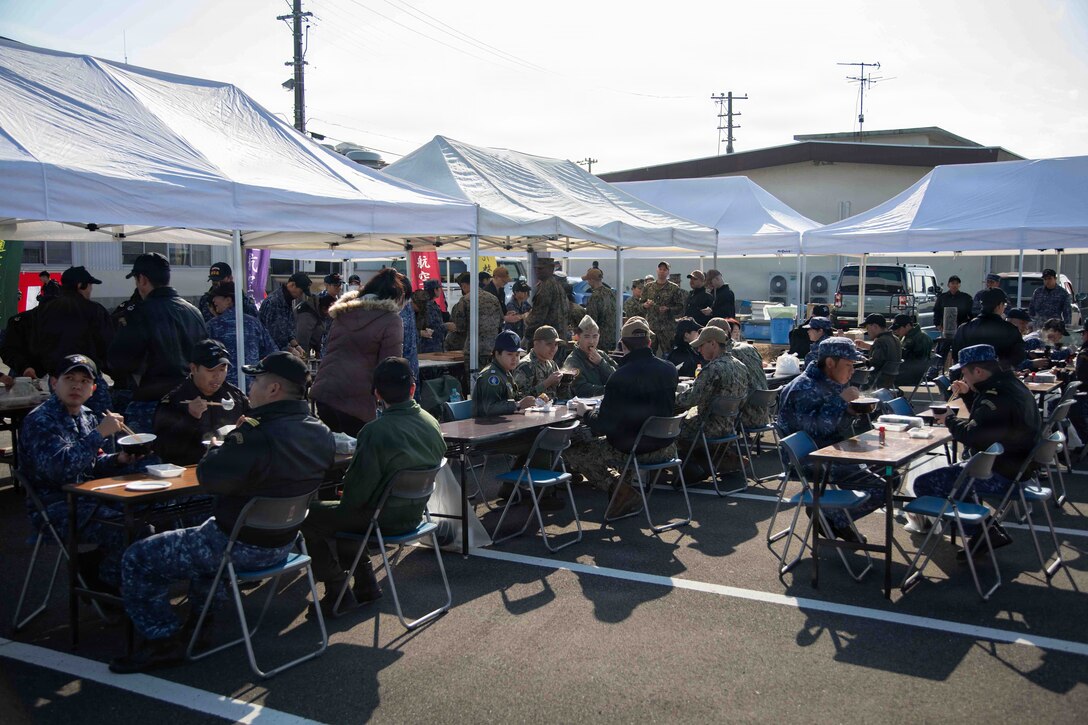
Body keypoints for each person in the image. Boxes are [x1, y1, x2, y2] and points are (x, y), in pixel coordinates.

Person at [111, 351, 334, 674]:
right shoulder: (320, 432)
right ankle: (201, 624)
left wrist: (225, 445)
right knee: (207, 538)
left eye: (257, 380)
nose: (251, 386)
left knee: (138, 556)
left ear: (273, 389)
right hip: (285, 542)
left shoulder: (256, 434)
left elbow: (209, 477)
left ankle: (162, 640)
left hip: (239, 545)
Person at [300, 357, 446, 611]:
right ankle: (365, 581)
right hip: (416, 514)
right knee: (350, 512)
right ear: (412, 388)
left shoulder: (375, 431)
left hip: (382, 518)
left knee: (310, 515)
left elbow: (355, 498)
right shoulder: (431, 423)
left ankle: (337, 587)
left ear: (377, 394)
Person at [19, 355, 148, 591]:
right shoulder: (40, 420)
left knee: (148, 516)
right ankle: (105, 585)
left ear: (93, 389)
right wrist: (99, 434)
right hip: (57, 506)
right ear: (54, 383)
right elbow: (60, 470)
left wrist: (118, 460)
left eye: (84, 381)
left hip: (90, 498)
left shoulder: (87, 416)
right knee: (129, 529)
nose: (77, 386)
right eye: (69, 379)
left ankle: (97, 569)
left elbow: (93, 463)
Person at [910, 344, 1040, 553]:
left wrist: (949, 420)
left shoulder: (995, 395)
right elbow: (987, 422)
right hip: (1019, 466)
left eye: (965, 373)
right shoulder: (1011, 384)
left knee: (925, 484)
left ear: (978, 371)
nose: (964, 378)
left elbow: (974, 436)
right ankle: (986, 530)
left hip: (1002, 473)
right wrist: (969, 395)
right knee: (955, 478)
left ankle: (983, 532)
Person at [563, 317, 679, 517]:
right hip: (666, 446)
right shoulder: (669, 369)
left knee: (574, 450)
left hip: (635, 448)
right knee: (627, 434)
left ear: (623, 346)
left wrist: (586, 412)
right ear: (649, 342)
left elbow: (604, 424)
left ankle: (619, 490)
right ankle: (624, 492)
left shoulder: (621, 377)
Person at [776, 337, 884, 539]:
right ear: (830, 363)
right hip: (811, 461)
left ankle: (835, 520)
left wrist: (851, 412)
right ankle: (829, 517)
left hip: (831, 453)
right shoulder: (804, 388)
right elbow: (813, 432)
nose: (852, 371)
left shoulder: (828, 382)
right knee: (881, 486)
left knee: (888, 472)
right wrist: (840, 402)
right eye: (848, 365)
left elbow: (833, 427)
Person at [108, 253, 208, 433]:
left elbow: (119, 361)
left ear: (142, 280)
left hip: (151, 404)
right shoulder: (193, 312)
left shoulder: (139, 313)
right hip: (190, 402)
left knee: (145, 450)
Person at [312, 268, 409, 434]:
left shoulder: (344, 312)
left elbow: (330, 347)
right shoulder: (390, 320)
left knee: (334, 447)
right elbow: (389, 366)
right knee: (359, 447)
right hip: (357, 400)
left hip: (325, 393)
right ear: (397, 298)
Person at [30, 265, 115, 414]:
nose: (90, 290)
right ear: (80, 285)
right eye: (90, 286)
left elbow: (36, 344)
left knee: (62, 422)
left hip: (58, 380)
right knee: (100, 422)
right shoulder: (94, 310)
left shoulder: (44, 310)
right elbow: (107, 345)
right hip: (87, 378)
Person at [153, 340, 250, 466]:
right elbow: (163, 449)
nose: (217, 376)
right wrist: (190, 419)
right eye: (210, 370)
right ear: (194, 368)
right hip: (190, 469)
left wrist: (244, 430)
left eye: (222, 369)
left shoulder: (236, 397)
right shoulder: (175, 400)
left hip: (229, 467)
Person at [676, 326, 750, 480]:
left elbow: (690, 400)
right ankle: (718, 459)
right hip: (729, 427)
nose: (699, 350)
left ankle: (690, 467)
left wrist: (672, 397)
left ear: (713, 344)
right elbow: (744, 399)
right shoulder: (740, 366)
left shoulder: (713, 369)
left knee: (670, 428)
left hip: (707, 427)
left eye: (701, 345)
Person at [205, 281, 278, 386]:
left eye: (217, 297)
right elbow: (272, 352)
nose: (214, 300)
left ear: (228, 300)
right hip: (252, 385)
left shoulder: (212, 325)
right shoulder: (254, 323)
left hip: (223, 387)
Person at [951, 288, 1025, 371]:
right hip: (999, 376)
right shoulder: (1010, 330)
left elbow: (956, 356)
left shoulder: (964, 328)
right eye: (1004, 305)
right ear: (1000, 305)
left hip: (969, 376)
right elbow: (1019, 357)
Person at [472, 330, 537, 417]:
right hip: (488, 424)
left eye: (517, 355)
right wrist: (518, 405)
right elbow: (490, 409)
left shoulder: (505, 372)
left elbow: (514, 398)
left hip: (504, 421)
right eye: (510, 354)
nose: (514, 358)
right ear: (497, 354)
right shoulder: (491, 376)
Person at [447, 271, 504, 368]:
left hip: (474, 351)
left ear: (464, 285)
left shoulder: (465, 300)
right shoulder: (493, 298)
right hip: (492, 349)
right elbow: (500, 321)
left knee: (474, 377)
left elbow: (460, 327)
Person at [563, 315, 618, 397]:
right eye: (587, 336)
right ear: (578, 337)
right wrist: (608, 390)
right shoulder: (572, 361)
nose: (591, 341)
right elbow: (581, 389)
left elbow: (617, 377)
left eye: (595, 336)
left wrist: (601, 363)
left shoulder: (601, 355)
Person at [513, 325, 573, 399]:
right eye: (549, 344)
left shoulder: (552, 364)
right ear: (536, 344)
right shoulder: (525, 366)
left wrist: (565, 383)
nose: (553, 348)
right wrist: (546, 383)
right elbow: (519, 397)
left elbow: (561, 396)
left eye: (556, 344)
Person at [258, 271, 311, 352]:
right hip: (269, 354)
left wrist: (296, 346)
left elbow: (287, 330)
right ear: (292, 285)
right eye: (301, 291)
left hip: (280, 352)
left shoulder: (287, 301)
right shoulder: (273, 302)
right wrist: (290, 350)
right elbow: (271, 336)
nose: (301, 295)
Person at [641, 261, 685, 357]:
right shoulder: (648, 287)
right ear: (657, 270)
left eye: (664, 270)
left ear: (668, 272)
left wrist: (668, 309)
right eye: (660, 269)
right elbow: (641, 303)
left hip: (667, 328)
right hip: (652, 326)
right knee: (649, 353)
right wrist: (645, 305)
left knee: (669, 354)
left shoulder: (674, 288)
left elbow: (680, 307)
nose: (662, 271)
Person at [525, 257, 569, 341]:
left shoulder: (547, 286)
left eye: (541, 269)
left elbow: (539, 315)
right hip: (557, 335)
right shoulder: (556, 284)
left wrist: (528, 334)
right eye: (536, 268)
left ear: (551, 269)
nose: (537, 271)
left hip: (546, 337)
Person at [861, 313, 902, 390]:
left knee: (850, 377)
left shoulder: (881, 341)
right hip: (890, 379)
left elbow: (874, 365)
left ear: (875, 326)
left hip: (878, 379)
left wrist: (861, 358)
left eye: (867, 328)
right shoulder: (896, 339)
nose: (867, 331)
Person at [891, 313, 933, 387]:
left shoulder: (922, 338)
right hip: (905, 370)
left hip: (913, 374)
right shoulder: (906, 336)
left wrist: (900, 352)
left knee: (884, 376)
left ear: (908, 326)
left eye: (899, 328)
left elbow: (919, 360)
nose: (896, 331)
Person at [583, 267, 618, 351]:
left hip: (600, 339)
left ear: (592, 280)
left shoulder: (594, 297)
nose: (588, 282)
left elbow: (591, 321)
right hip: (614, 336)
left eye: (588, 280)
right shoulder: (611, 293)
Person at [412, 279, 447, 353]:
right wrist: (446, 326)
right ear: (435, 290)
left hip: (434, 345)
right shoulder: (427, 306)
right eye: (439, 288)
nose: (441, 291)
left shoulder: (432, 305)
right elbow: (432, 325)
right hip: (429, 346)